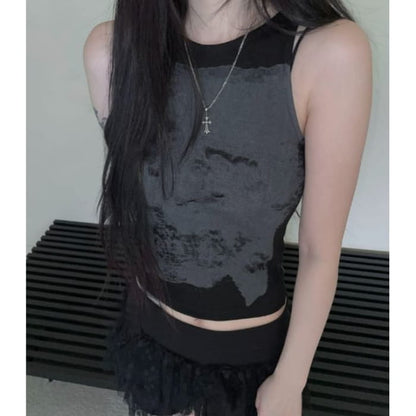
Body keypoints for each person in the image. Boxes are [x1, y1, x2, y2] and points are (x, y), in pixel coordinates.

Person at [83, 0, 372, 415]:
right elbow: (147, 205)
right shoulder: (112, 50)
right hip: (148, 340)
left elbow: (319, 251)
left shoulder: (329, 52)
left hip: (253, 362)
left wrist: (290, 379)